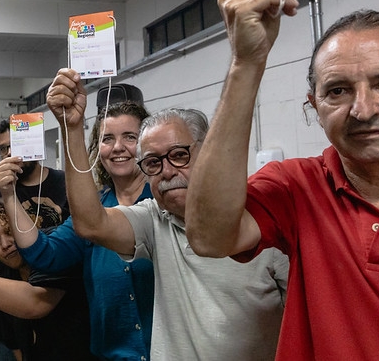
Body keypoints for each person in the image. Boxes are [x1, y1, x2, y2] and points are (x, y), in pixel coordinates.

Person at [187, 0, 379, 359]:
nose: (363, 110)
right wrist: (246, 63)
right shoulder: (297, 187)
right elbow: (209, 237)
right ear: (315, 106)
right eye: (338, 91)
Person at [46, 68, 287, 360]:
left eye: (179, 155)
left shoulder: (266, 222)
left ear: (208, 154)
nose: (168, 171)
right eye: (153, 163)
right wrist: (71, 129)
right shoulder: (155, 221)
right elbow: (91, 224)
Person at [6, 101, 155, 361]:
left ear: (146, 145)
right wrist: (8, 195)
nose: (117, 147)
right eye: (107, 139)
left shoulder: (165, 203)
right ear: (98, 149)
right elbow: (43, 254)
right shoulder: (93, 214)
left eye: (130, 137)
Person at [0, 199, 98, 361]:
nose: (5, 244)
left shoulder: (55, 250)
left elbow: (37, 303)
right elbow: (17, 343)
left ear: (29, 225)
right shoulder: (1, 276)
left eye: (10, 231)